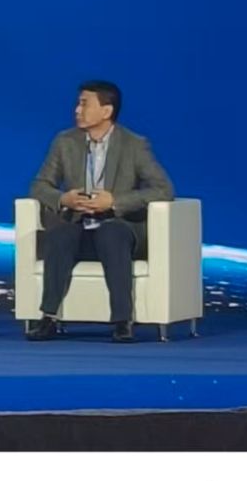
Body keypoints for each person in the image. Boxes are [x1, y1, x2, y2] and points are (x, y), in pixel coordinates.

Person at [26, 80, 174, 343]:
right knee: (59, 235)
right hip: (79, 225)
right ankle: (48, 317)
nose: (77, 110)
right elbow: (39, 186)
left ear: (106, 111)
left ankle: (122, 321)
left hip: (118, 227)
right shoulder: (65, 142)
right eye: (78, 103)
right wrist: (64, 198)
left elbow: (163, 189)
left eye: (84, 104)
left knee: (111, 233)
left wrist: (114, 202)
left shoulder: (134, 144)